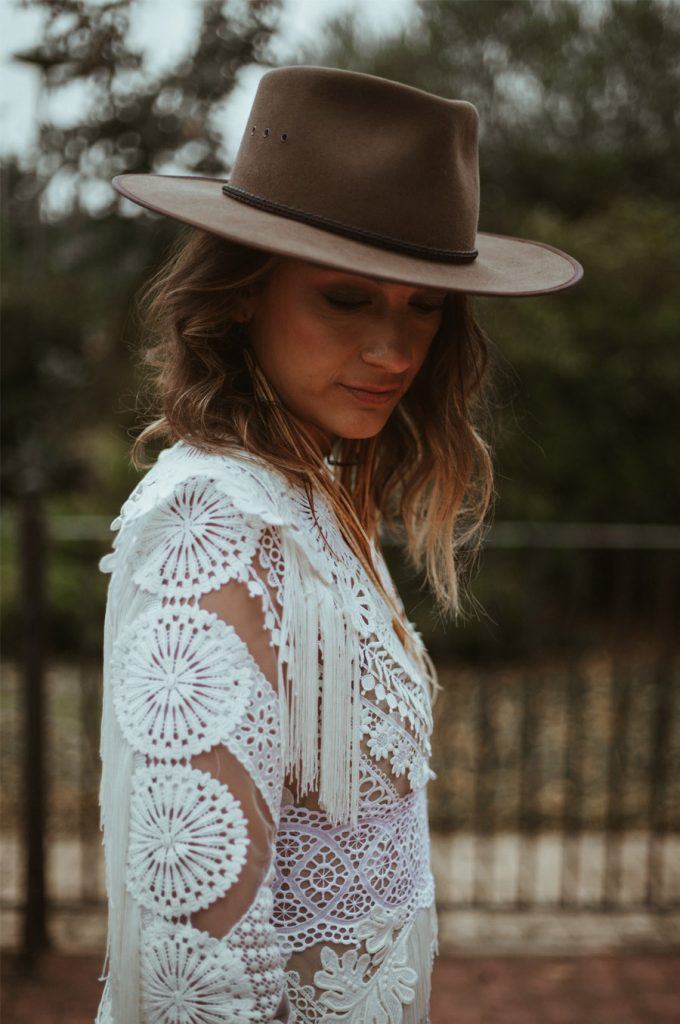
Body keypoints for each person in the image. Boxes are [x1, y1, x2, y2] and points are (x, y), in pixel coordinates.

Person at [95, 65, 583, 1024]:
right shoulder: (220, 523)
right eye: (348, 300)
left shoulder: (307, 500)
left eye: (423, 306)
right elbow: (197, 961)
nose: (396, 352)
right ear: (243, 295)